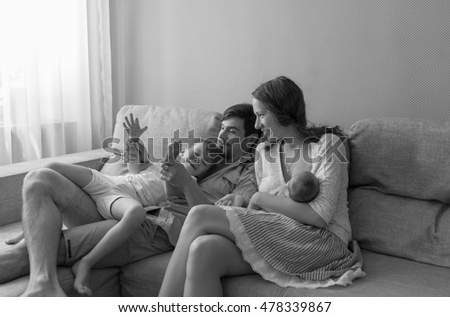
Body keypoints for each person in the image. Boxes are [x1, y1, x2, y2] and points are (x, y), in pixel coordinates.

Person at [0, 103, 260, 296]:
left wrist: (184, 182)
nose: (222, 136)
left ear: (249, 141)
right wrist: (166, 167)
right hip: (135, 210)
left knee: (36, 249)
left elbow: (218, 220)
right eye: (223, 129)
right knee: (40, 178)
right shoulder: (207, 154)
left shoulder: (247, 173)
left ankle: (43, 286)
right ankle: (43, 283)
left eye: (232, 132)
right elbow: (151, 175)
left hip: (156, 230)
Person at [158, 76, 365, 297]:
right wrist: (244, 199)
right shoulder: (264, 152)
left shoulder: (328, 145)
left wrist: (259, 198)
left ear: (281, 111)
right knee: (203, 249)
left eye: (261, 115)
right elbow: (255, 200)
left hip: (322, 242)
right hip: (279, 237)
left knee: (200, 215)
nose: (257, 125)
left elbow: (319, 216)